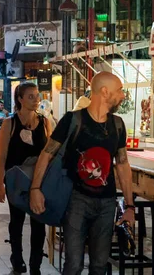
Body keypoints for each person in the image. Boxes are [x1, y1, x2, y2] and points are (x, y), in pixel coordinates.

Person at [29, 72, 135, 275]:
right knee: (74, 265)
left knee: (99, 265)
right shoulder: (73, 120)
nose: (122, 96)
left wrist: (129, 206)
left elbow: (122, 164)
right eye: (120, 90)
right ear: (105, 92)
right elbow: (46, 154)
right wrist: (35, 188)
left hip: (106, 202)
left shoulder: (118, 125)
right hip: (76, 200)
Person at [0, 82, 52, 275]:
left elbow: (50, 153)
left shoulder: (45, 122)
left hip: (39, 181)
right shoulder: (9, 123)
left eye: (37, 96)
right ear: (19, 99)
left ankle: (35, 264)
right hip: (16, 182)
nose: (36, 100)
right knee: (16, 221)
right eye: (30, 96)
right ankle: (17, 258)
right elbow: (2, 157)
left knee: (39, 222)